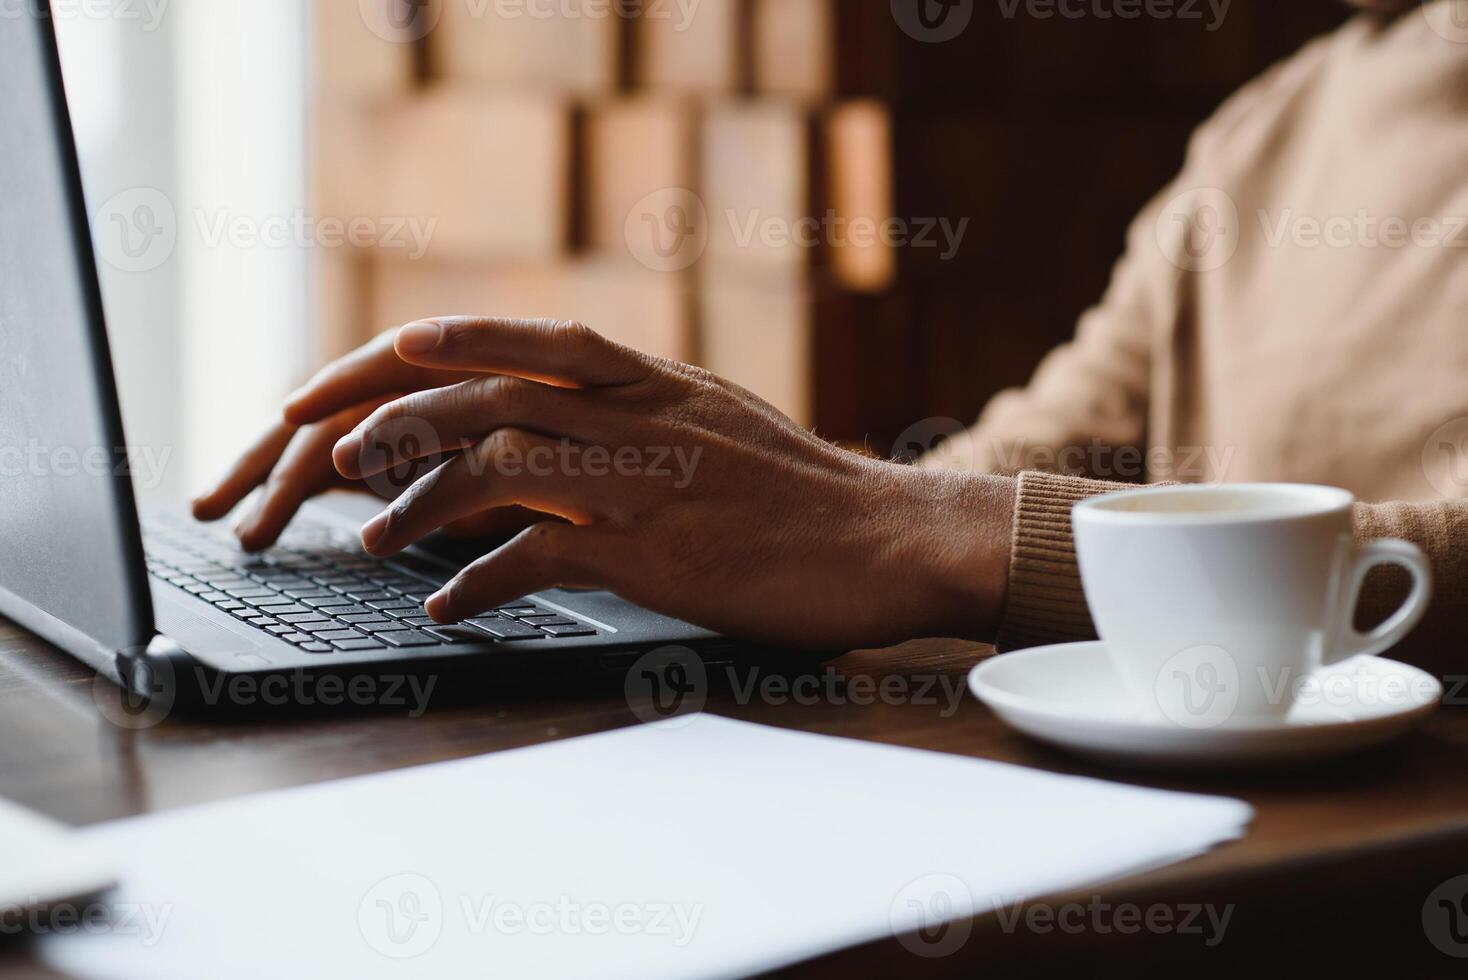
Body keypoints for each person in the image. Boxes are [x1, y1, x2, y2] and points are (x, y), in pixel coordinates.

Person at [195, 1, 1467, 672]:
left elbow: (936, 524)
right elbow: (1021, 453)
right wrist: (623, 486)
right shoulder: (1276, 119)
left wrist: (896, 523)